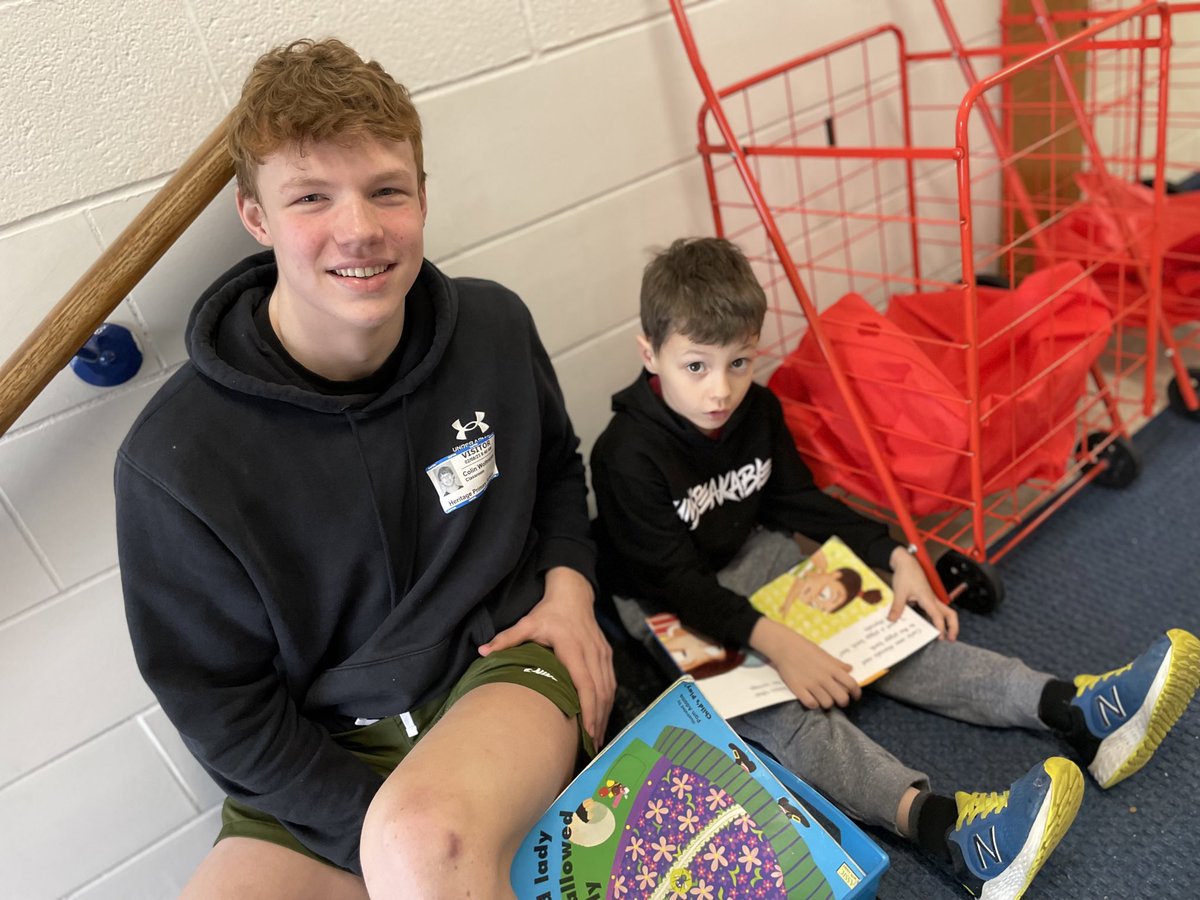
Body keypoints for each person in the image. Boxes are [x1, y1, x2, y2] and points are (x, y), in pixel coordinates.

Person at [115, 39, 614, 900]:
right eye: (312, 197)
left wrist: (570, 588)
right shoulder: (172, 461)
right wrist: (373, 836)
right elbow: (223, 709)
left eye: (387, 189)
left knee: (423, 842)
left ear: (424, 196)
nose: (360, 228)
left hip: (499, 664)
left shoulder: (494, 326)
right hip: (325, 748)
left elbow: (560, 471)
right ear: (256, 218)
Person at [589, 236, 1200, 900]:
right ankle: (952, 835)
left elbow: (799, 500)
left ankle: (1077, 710)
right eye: (696, 367)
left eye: (739, 362)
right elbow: (675, 583)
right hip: (666, 600)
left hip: (753, 556)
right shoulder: (624, 454)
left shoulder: (756, 408)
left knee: (895, 634)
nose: (722, 390)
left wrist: (894, 555)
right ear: (650, 355)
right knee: (784, 712)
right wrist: (780, 645)